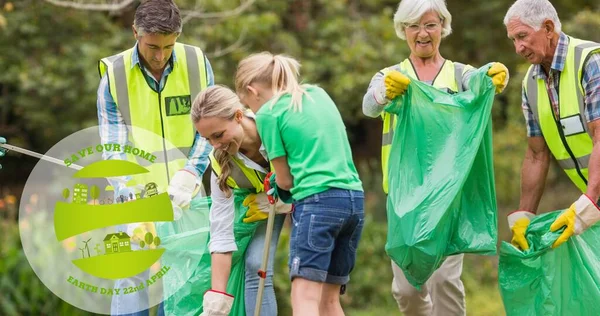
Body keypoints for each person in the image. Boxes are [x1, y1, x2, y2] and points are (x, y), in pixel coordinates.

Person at [361, 0, 508, 315]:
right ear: (403, 30)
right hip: (404, 199)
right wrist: (384, 93)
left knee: (444, 283)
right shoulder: (390, 74)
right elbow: (368, 107)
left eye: (430, 25)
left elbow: (481, 83)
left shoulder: (459, 74)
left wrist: (495, 76)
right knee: (406, 289)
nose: (422, 33)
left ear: (443, 27)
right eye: (414, 26)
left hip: (447, 197)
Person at [96, 0, 213, 315]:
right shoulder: (114, 75)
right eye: (152, 47)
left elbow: (210, 128)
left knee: (179, 291)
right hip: (136, 200)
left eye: (168, 46)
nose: (160, 56)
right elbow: (113, 146)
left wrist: (190, 175)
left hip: (186, 200)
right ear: (135, 32)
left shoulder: (197, 63)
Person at [234, 51, 364, 316]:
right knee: (329, 300)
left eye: (247, 103)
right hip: (353, 200)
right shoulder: (318, 94)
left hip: (318, 204)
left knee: (304, 297)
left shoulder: (269, 114)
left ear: (251, 91)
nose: (252, 112)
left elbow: (284, 179)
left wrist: (278, 191)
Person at [504, 0, 600, 250]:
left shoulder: (590, 62)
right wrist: (525, 214)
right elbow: (537, 154)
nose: (518, 48)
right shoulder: (530, 83)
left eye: (522, 36)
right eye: (513, 40)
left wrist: (589, 200)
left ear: (547, 28)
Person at [191, 85, 291, 316]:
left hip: (308, 198)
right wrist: (217, 298)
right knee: (256, 266)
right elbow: (221, 232)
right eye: (207, 139)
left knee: (305, 269)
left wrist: (286, 198)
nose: (215, 145)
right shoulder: (219, 163)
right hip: (263, 206)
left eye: (218, 135)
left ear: (238, 116)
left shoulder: (276, 125)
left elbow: (316, 174)